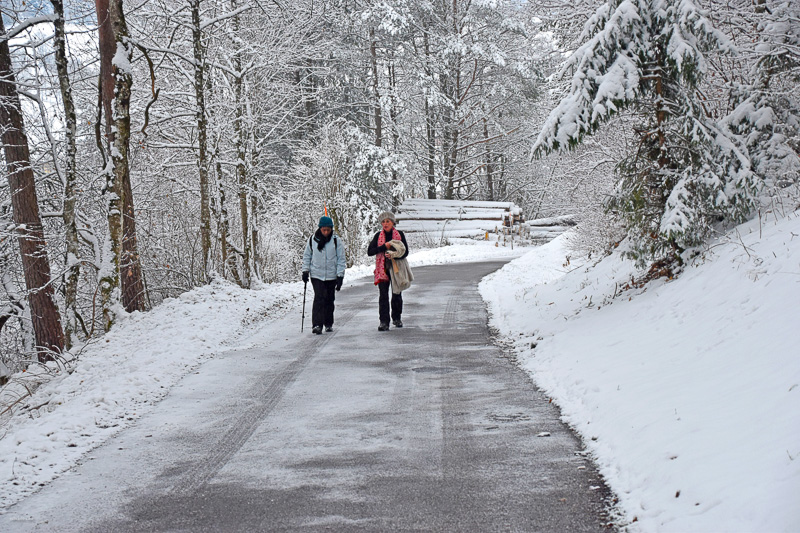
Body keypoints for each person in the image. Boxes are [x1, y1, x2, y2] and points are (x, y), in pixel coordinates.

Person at [302, 216, 346, 334]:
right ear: (320, 228)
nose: (326, 232)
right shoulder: (312, 240)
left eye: (328, 230)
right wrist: (305, 271)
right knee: (319, 297)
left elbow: (341, 259)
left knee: (329, 299)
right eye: (324, 230)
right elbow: (307, 256)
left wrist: (340, 275)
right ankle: (317, 324)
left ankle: (328, 323)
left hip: (331, 275)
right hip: (316, 274)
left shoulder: (336, 241)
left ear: (331, 229)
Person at [367, 211, 409, 331]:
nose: (385, 224)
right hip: (383, 269)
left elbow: (405, 252)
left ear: (393, 222)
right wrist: (384, 247)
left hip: (396, 269)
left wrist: (394, 255)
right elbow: (370, 251)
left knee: (397, 294)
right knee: (383, 296)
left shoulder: (400, 235)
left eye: (388, 221)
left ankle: (396, 318)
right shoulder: (378, 236)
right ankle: (384, 322)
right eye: (383, 222)